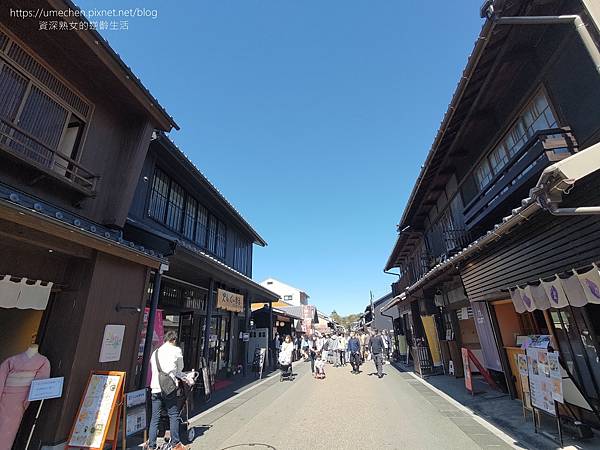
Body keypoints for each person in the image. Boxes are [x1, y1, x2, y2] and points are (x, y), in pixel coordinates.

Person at [148, 331, 187, 450]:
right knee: (173, 414)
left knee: (155, 417)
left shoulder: (155, 352)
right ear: (174, 340)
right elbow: (180, 368)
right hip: (169, 388)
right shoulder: (176, 351)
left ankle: (152, 445)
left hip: (155, 387)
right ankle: (176, 443)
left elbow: (153, 368)